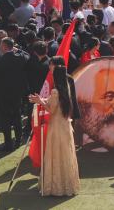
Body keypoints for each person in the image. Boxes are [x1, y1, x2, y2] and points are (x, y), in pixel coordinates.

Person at [30, 63, 80, 197]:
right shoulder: (66, 89)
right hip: (65, 126)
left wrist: (40, 101)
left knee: (55, 155)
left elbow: (51, 109)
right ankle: (67, 185)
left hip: (56, 127)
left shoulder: (55, 91)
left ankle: (55, 187)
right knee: (65, 155)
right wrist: (41, 100)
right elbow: (54, 103)